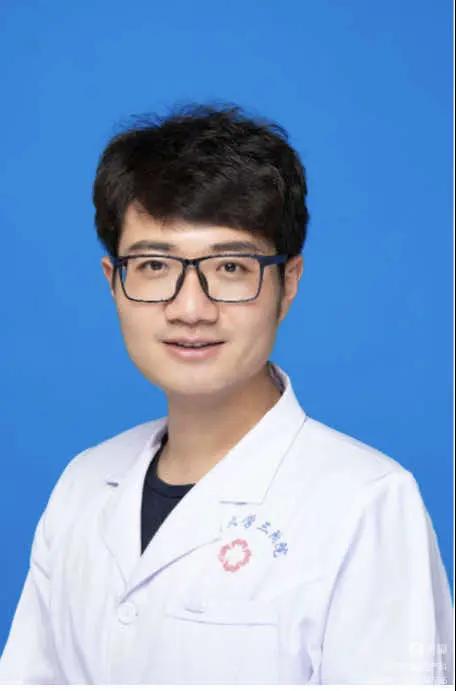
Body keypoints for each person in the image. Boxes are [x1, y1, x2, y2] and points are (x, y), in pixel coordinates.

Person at [0, 105, 453, 685]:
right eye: (155, 264)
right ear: (114, 283)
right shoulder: (84, 484)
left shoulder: (366, 502)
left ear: (288, 284)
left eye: (231, 267)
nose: (191, 308)